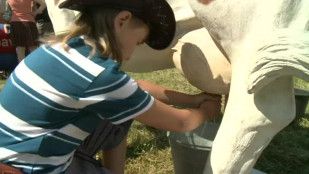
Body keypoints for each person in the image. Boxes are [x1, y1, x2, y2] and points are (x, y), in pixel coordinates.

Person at [0, 0, 222, 173]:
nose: (132, 52)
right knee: (125, 109)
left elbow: (135, 88)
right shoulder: (97, 75)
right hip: (26, 168)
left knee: (124, 113)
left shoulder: (63, 49)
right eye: (137, 42)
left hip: (16, 151)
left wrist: (191, 99)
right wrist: (207, 110)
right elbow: (182, 123)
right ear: (122, 20)